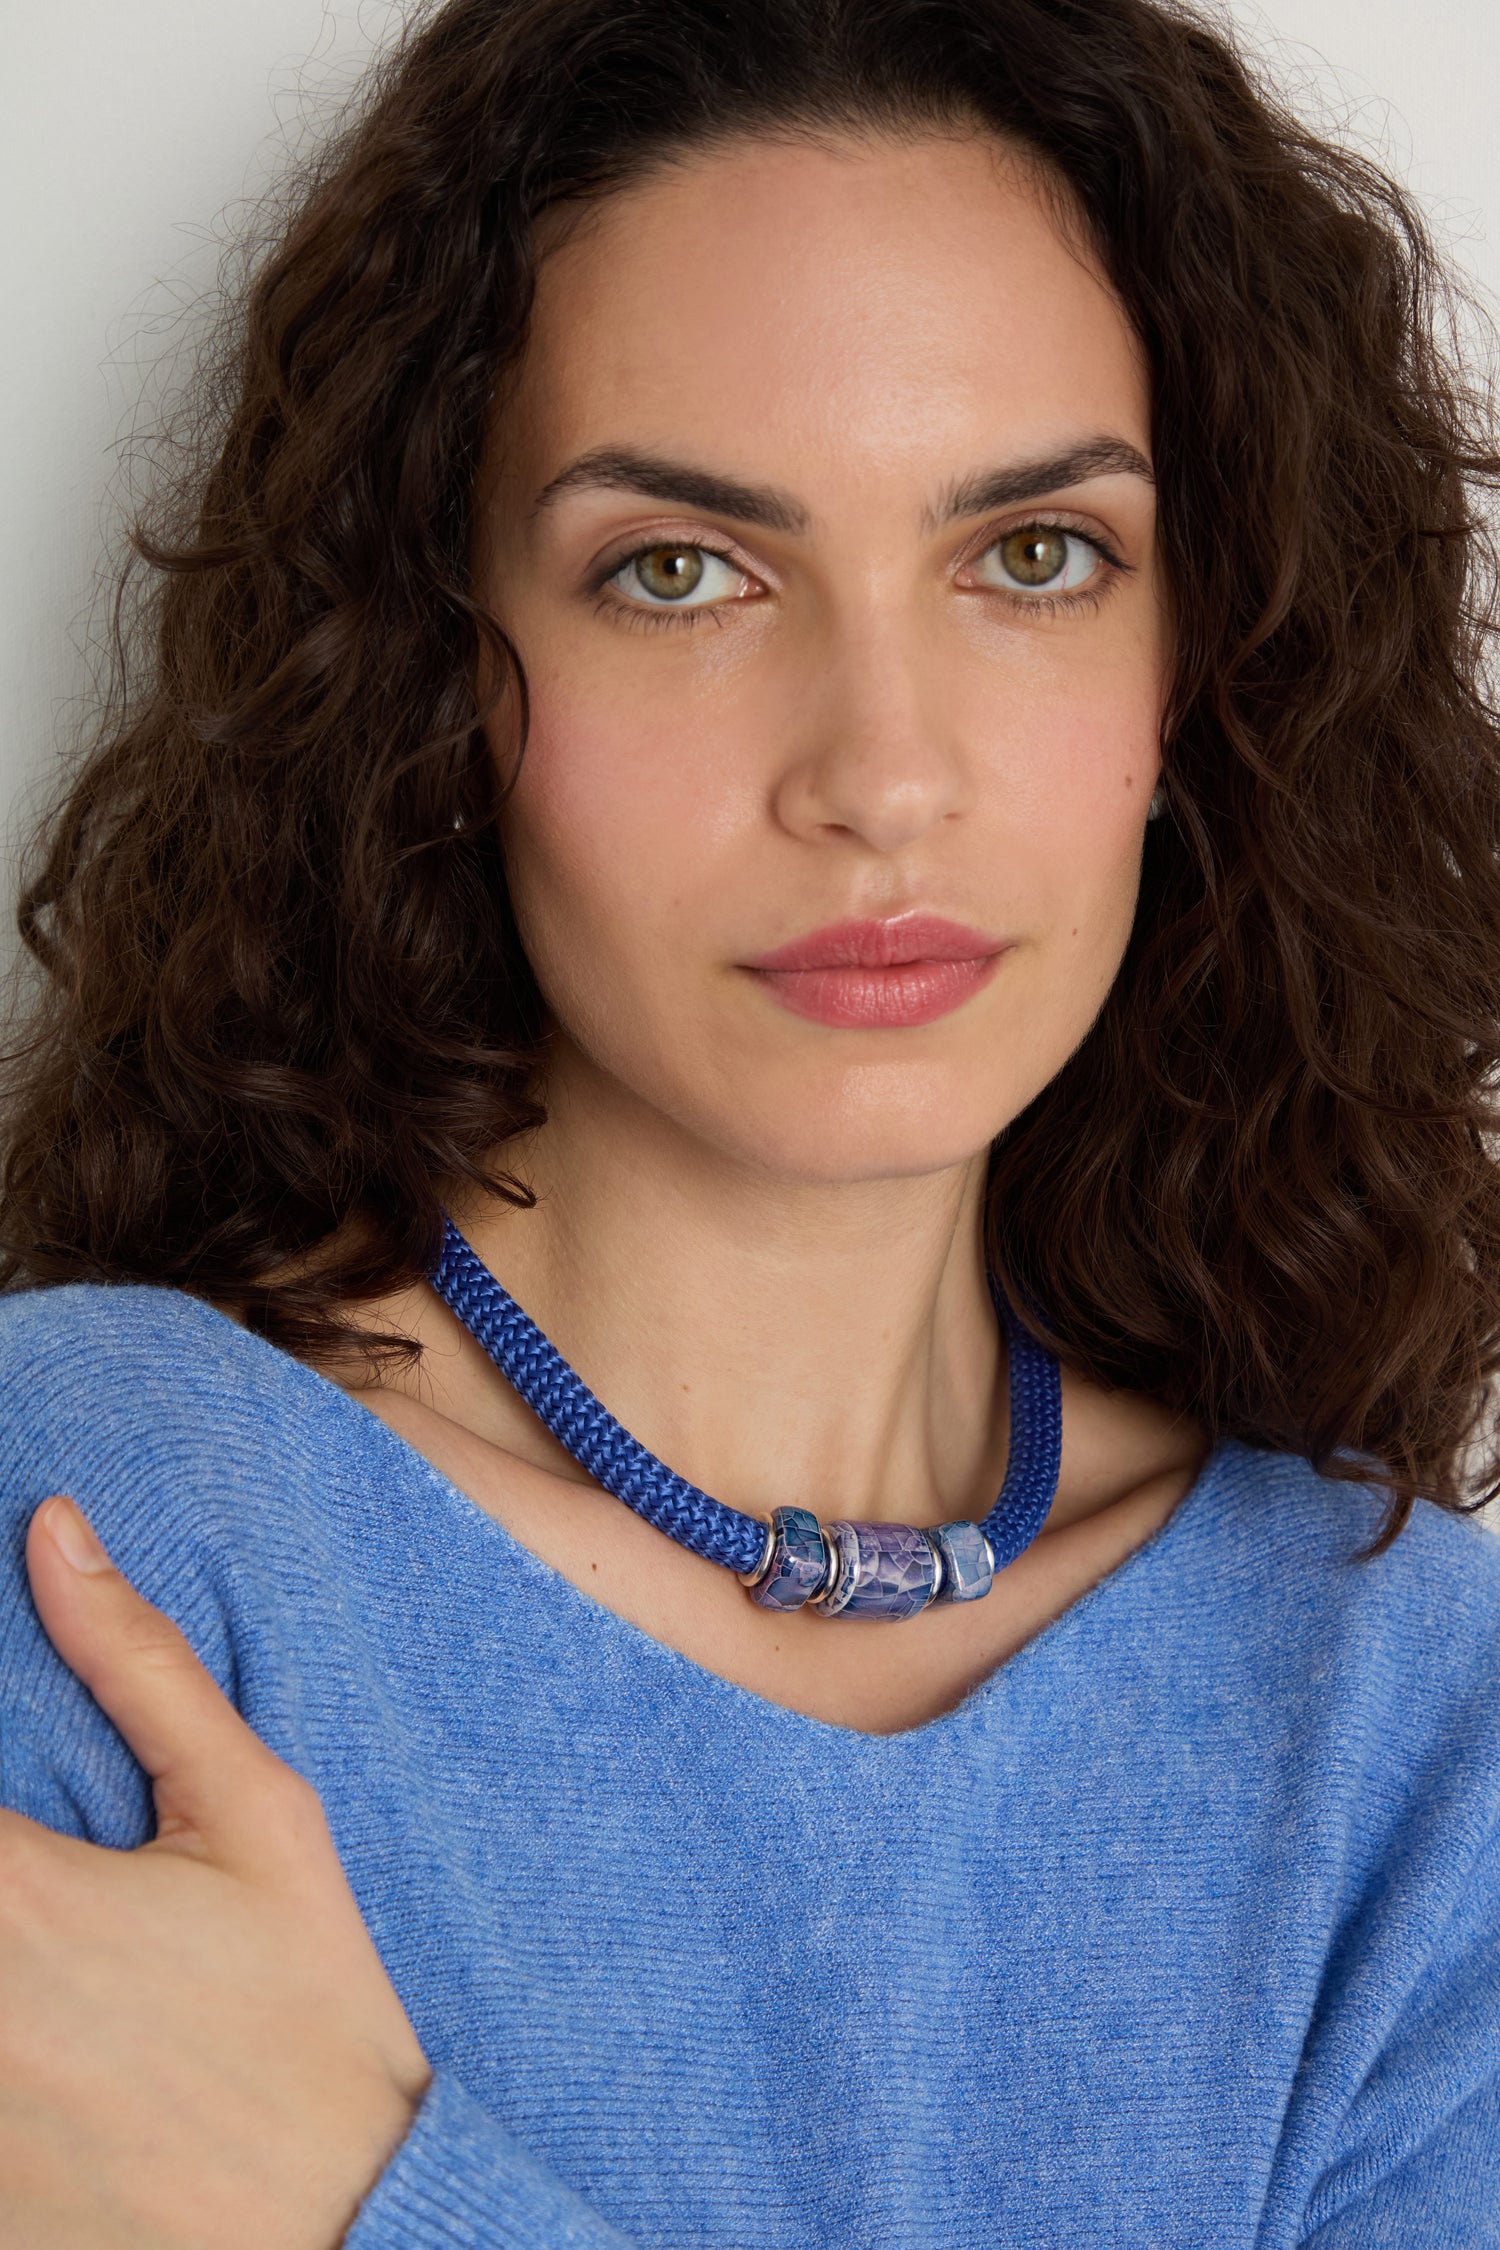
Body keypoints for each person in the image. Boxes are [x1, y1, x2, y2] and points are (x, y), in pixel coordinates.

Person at [2, 0, 1499, 2239]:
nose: (881, 773)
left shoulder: (1405, 1729)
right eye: (680, 571)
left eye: (1034, 556)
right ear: (428, 679)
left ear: (1205, 668)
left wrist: (341, 2196)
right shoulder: (92, 1544)